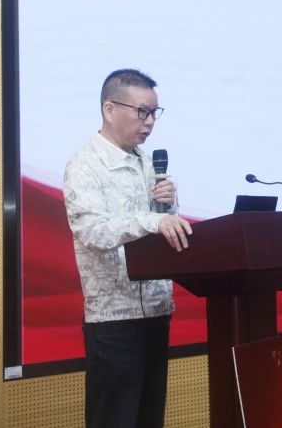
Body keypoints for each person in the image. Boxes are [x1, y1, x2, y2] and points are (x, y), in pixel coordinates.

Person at [63, 68, 194, 428]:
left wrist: (168, 206)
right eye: (142, 112)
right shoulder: (85, 165)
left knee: (149, 419)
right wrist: (152, 220)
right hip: (114, 319)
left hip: (156, 311)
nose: (149, 122)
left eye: (154, 112)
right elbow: (93, 231)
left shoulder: (149, 163)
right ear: (109, 109)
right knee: (115, 419)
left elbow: (162, 230)